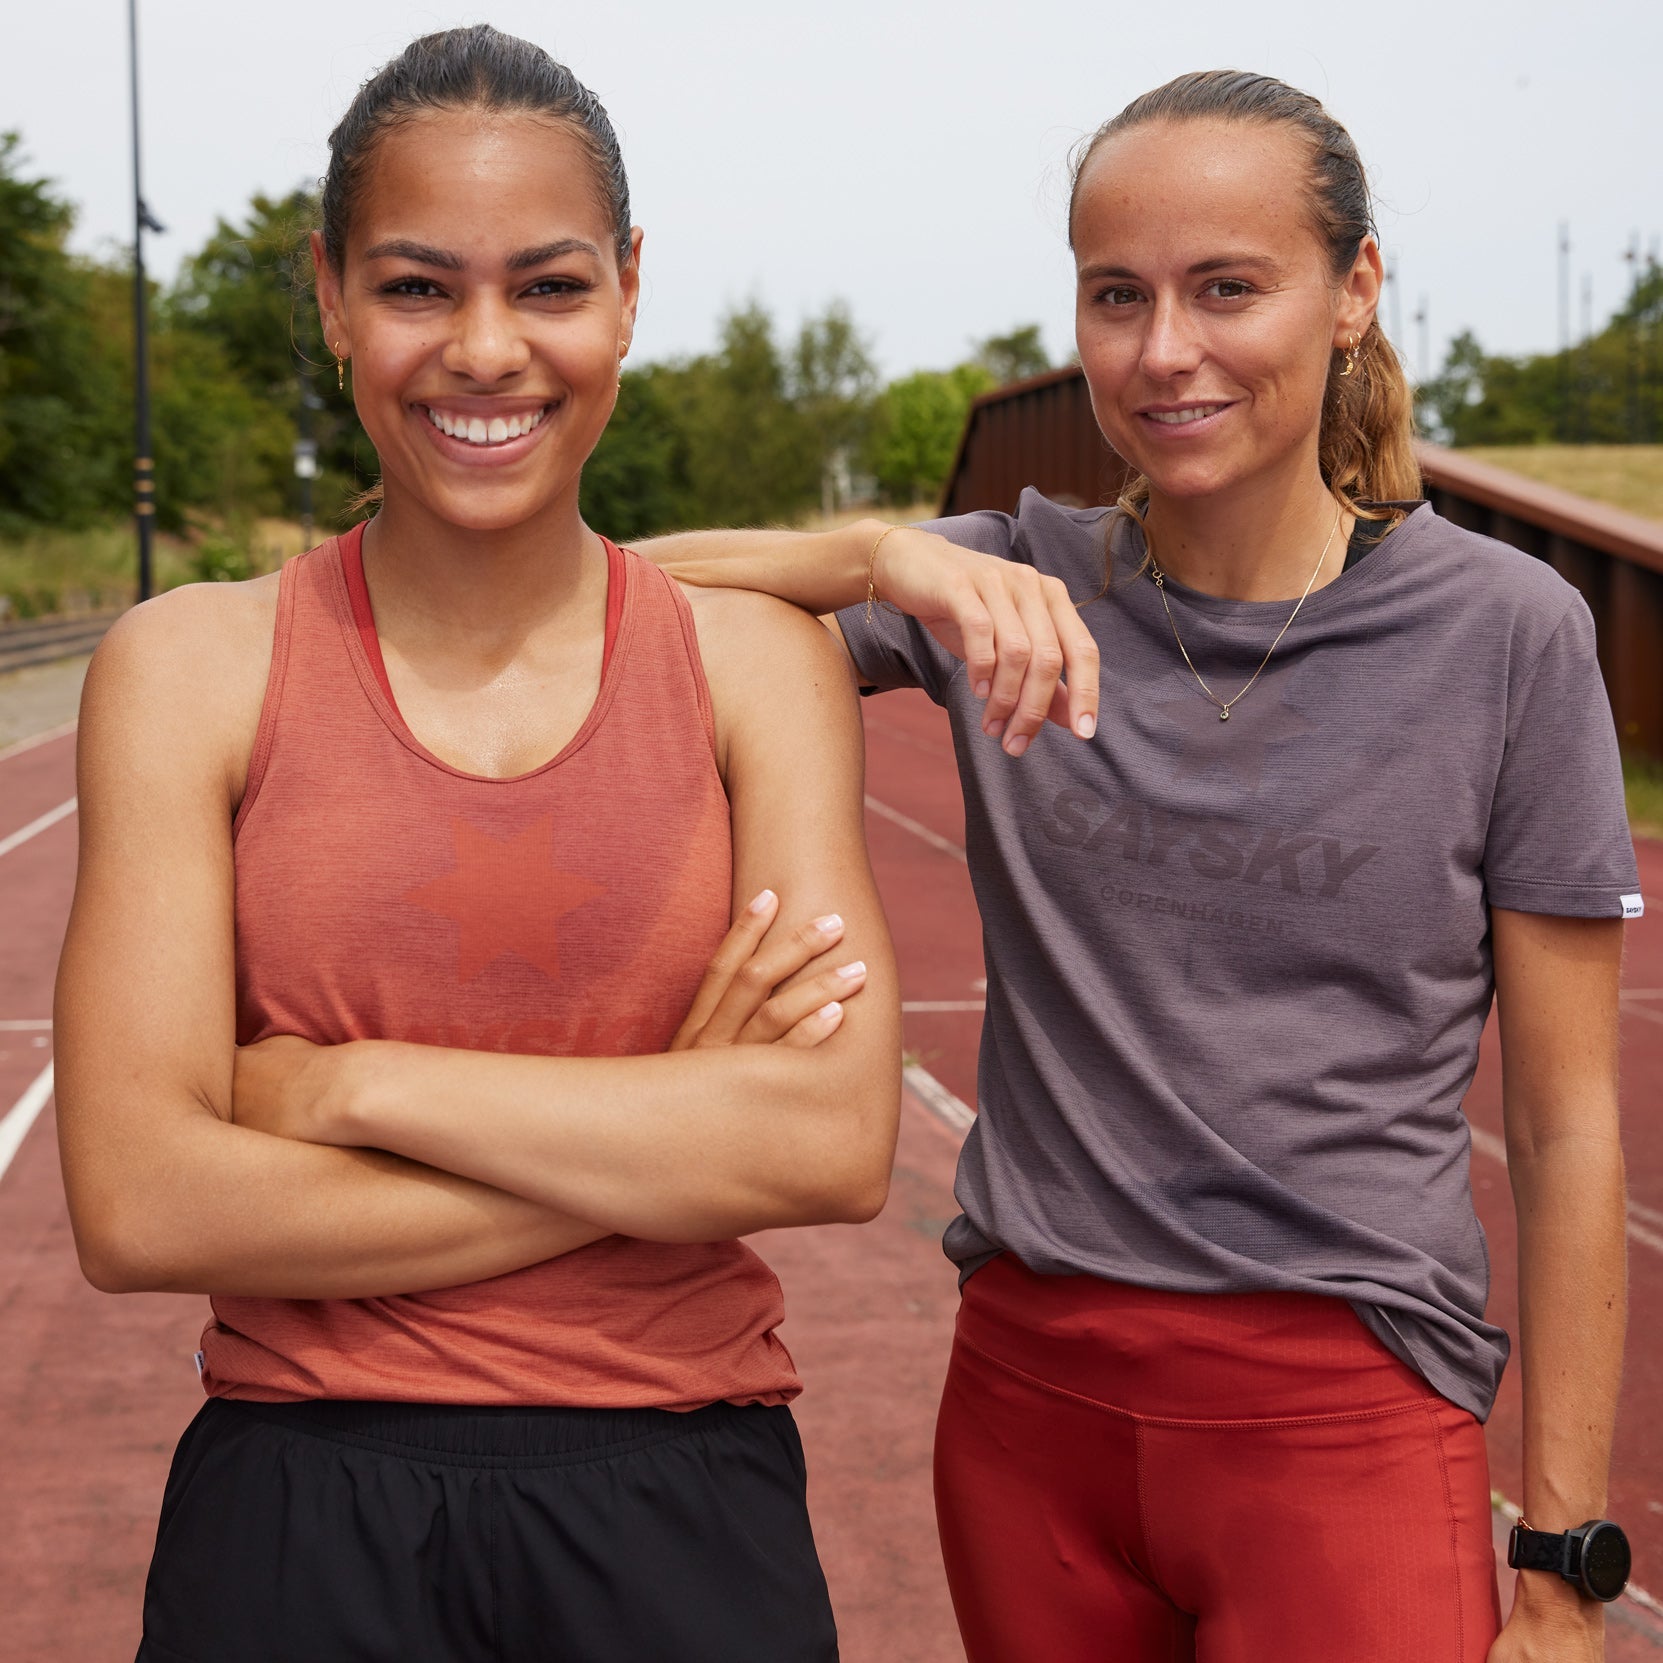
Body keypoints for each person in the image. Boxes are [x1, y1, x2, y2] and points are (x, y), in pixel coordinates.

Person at [643, 71, 1637, 1663]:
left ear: (1355, 292)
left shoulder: (1507, 637)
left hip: (1347, 1421)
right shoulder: (1003, 582)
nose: (1162, 351)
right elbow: (598, 600)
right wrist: (889, 554)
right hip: (1030, 1405)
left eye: (1226, 288)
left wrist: (1567, 1568)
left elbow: (1572, 1125)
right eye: (1118, 297)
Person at [54, 26, 900, 1663]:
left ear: (633, 290)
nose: (487, 349)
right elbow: (143, 1204)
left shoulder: (758, 671)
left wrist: (350, 1089)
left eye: (553, 286)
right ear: (330, 295)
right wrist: (656, 1146)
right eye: (420, 286)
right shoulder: (189, 669)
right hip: (301, 1499)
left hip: (684, 1491)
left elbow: (829, 1149)